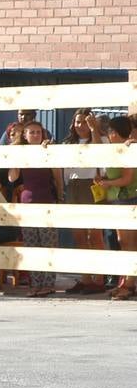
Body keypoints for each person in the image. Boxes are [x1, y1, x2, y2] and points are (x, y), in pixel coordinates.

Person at [7, 119, 63, 297]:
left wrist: (61, 197)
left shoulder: (47, 151)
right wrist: (15, 159)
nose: (36, 135)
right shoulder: (21, 153)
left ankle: (49, 284)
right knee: (32, 244)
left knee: (49, 244)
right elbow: (12, 178)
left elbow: (57, 176)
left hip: (47, 201)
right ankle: (35, 283)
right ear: (25, 135)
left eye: (38, 132)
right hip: (27, 203)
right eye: (32, 132)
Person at [58, 109, 106, 294]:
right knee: (78, 235)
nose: (80, 126)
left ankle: (99, 279)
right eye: (78, 122)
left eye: (85, 122)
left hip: (92, 185)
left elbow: (98, 156)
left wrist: (94, 130)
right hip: (73, 186)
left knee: (95, 235)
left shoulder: (101, 140)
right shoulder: (69, 142)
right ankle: (85, 278)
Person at [97, 115, 136, 300]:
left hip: (127, 198)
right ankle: (125, 281)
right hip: (120, 199)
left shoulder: (128, 149)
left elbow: (127, 179)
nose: (110, 134)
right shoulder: (118, 149)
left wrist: (107, 183)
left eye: (112, 131)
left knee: (128, 243)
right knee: (124, 242)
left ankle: (129, 283)